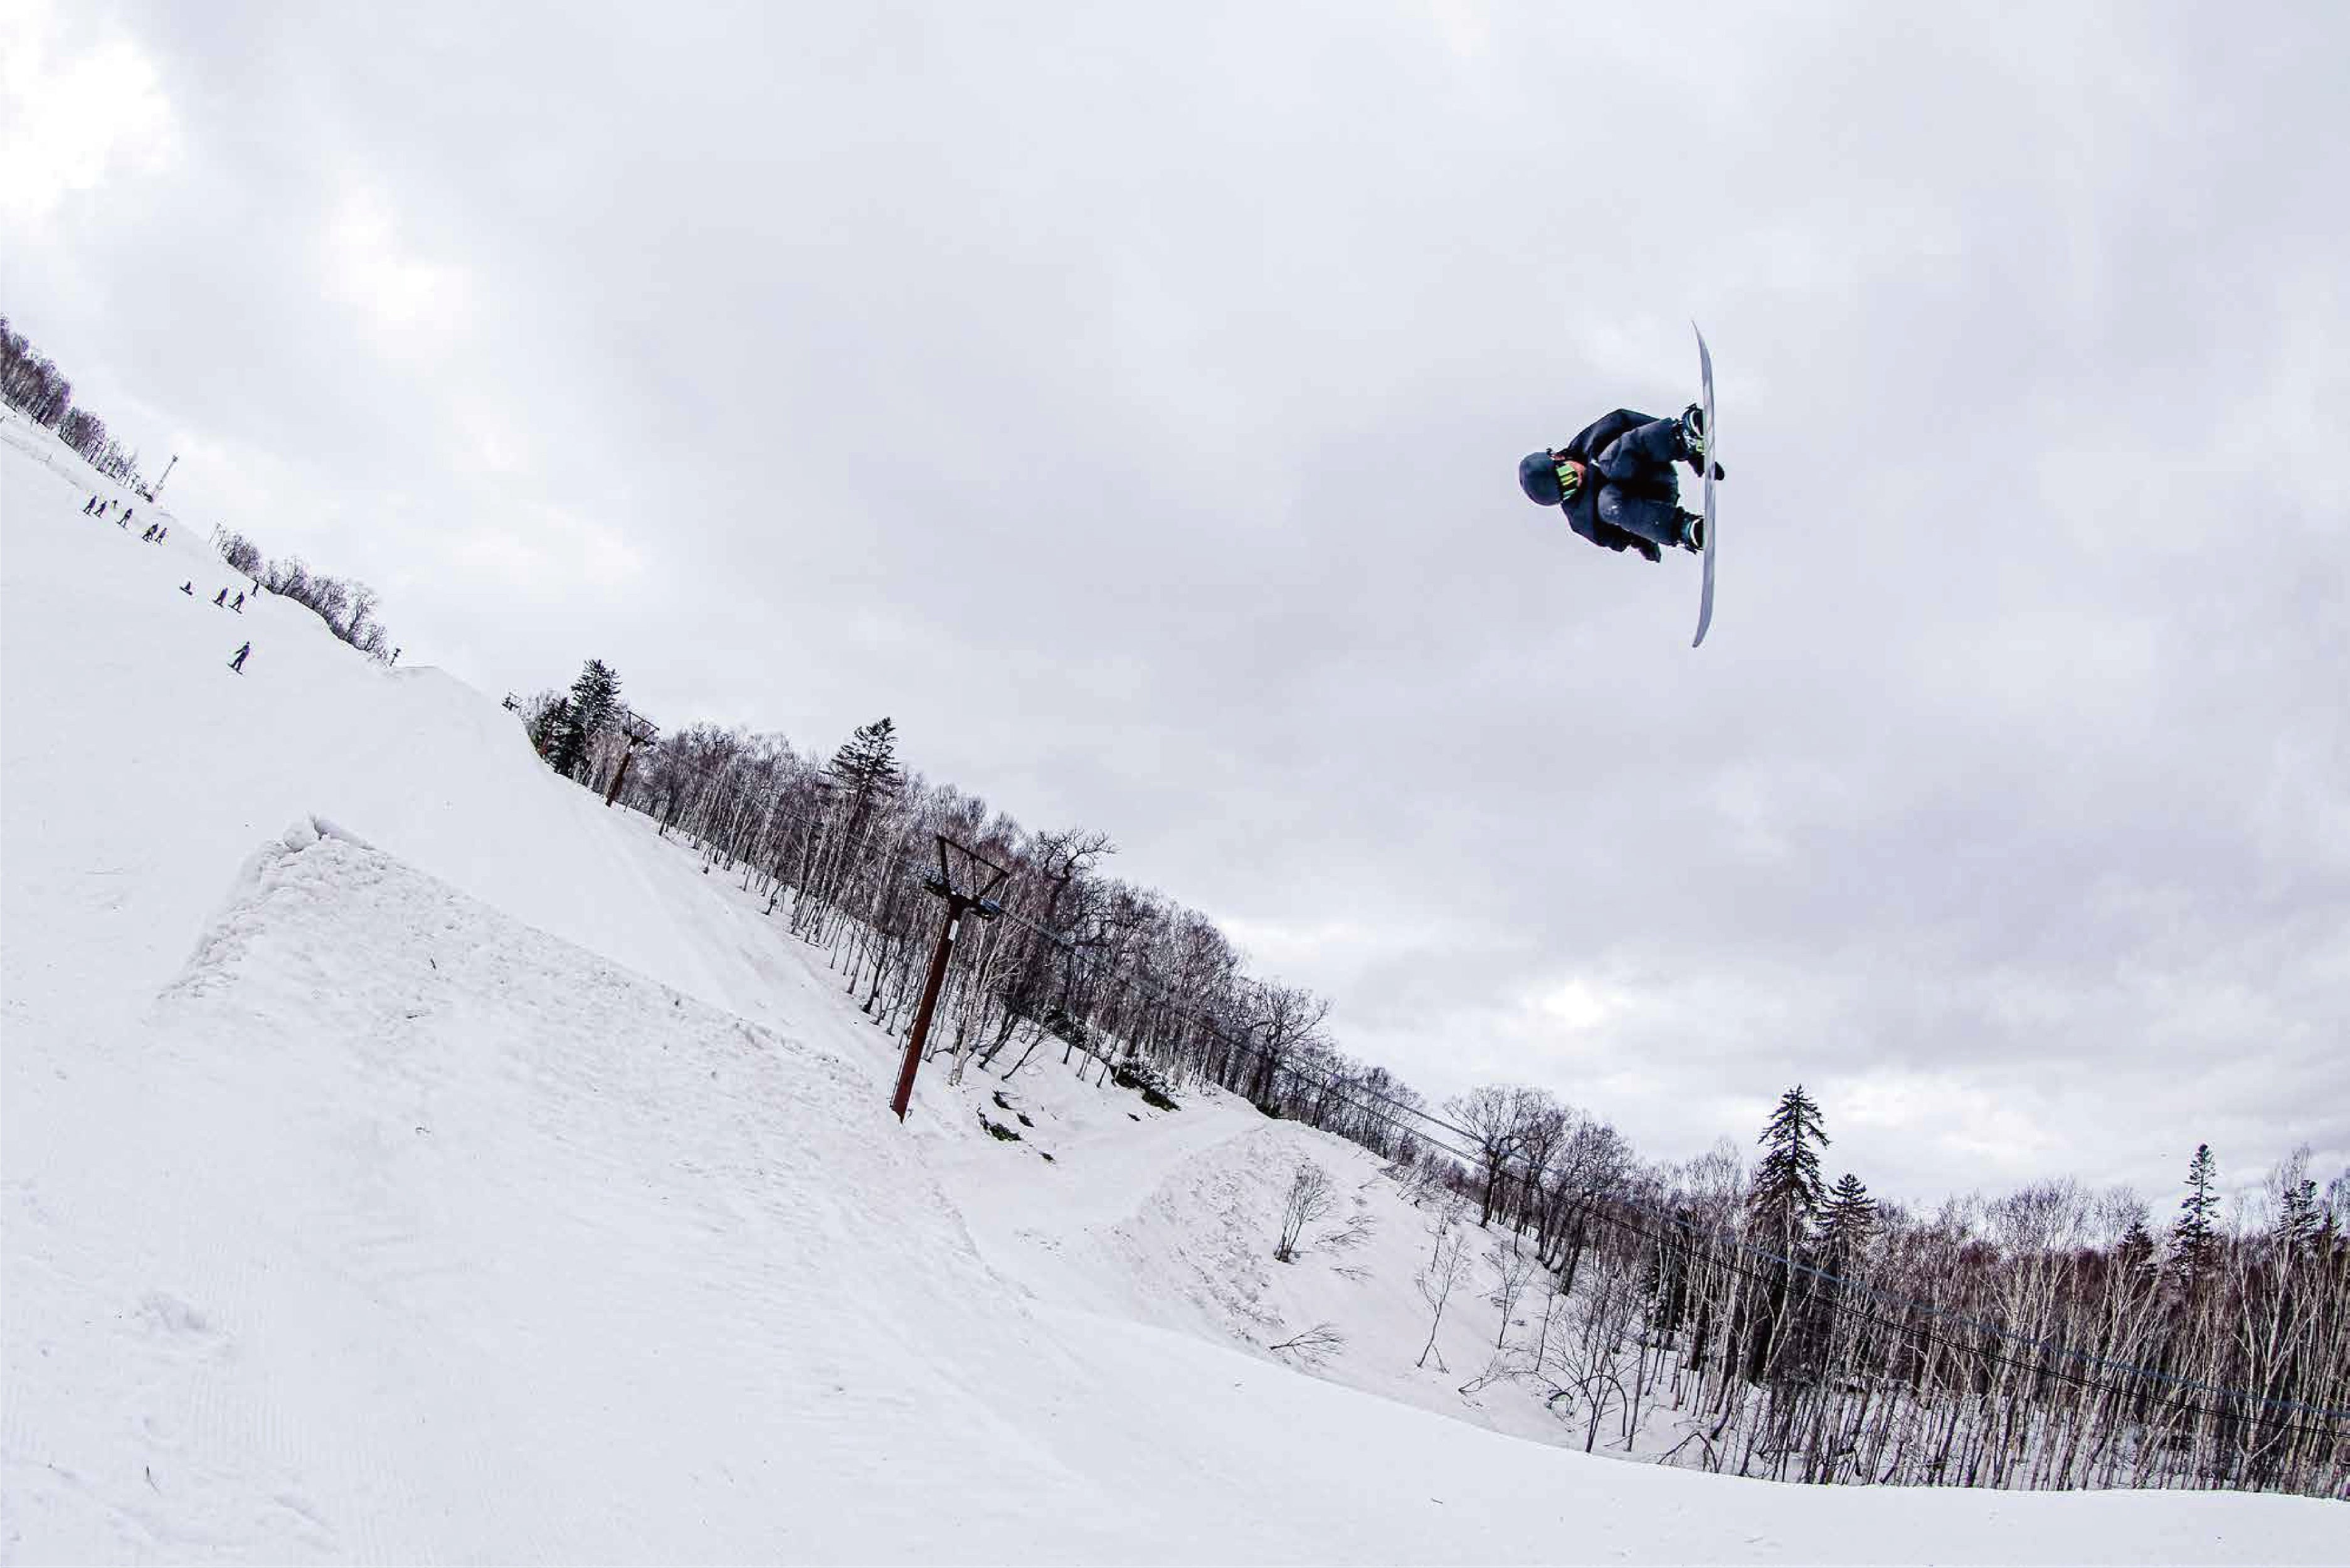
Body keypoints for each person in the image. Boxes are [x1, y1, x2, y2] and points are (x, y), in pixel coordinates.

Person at [1518, 405, 1720, 561]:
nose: (1577, 481)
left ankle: (1683, 437)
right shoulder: (1581, 518)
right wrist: (1643, 538)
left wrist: (1688, 452)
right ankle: (1684, 528)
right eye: (1568, 490)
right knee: (1607, 503)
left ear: (1558, 458)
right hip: (1653, 505)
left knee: (1607, 461)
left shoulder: (1589, 443)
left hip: (1652, 470)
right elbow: (1617, 537)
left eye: (1567, 476)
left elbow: (1631, 422)